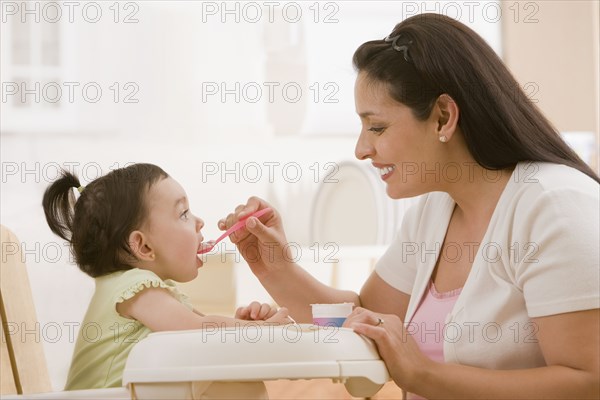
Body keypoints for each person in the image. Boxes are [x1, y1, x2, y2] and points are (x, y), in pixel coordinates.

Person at [218, 14, 600, 399]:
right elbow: (366, 316)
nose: (361, 150)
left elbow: (588, 382)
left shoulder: (554, 207)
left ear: (443, 117)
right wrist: (275, 267)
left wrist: (425, 376)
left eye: (377, 127)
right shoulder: (436, 210)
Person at [42, 163, 289, 393]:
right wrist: (261, 331)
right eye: (184, 213)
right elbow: (199, 330)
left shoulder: (149, 291)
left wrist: (241, 325)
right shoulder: (134, 288)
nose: (199, 221)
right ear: (143, 246)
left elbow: (206, 335)